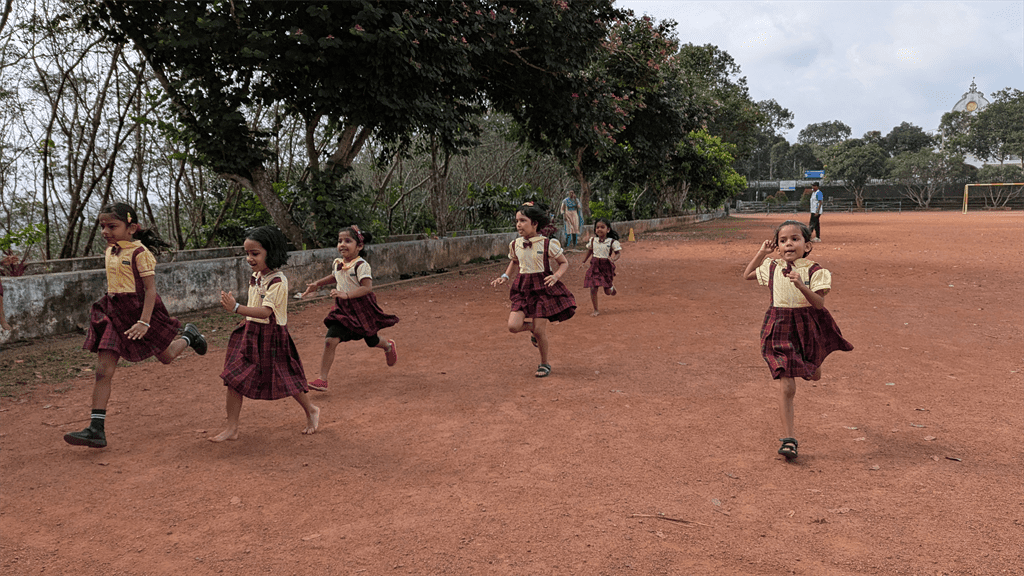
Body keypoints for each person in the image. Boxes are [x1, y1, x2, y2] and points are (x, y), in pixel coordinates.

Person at [65, 202, 208, 448]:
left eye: (112, 226)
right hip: (114, 312)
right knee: (103, 370)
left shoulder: (141, 254)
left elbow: (150, 291)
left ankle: (189, 336)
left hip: (142, 312)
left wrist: (144, 322)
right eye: (102, 227)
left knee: (166, 356)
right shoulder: (110, 251)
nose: (105, 232)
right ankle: (96, 429)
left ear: (132, 228)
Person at [742, 220, 853, 461]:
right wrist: (761, 253)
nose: (788, 244)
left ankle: (812, 364)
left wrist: (802, 286)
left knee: (813, 374)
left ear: (807, 245)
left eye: (795, 239)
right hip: (779, 326)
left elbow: (819, 303)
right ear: (777, 247)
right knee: (787, 385)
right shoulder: (772, 266)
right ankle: (789, 440)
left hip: (806, 325)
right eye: (783, 241)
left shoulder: (815, 270)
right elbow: (747, 274)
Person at [212, 226, 319, 442]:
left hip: (272, 336)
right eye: (247, 253)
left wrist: (236, 308)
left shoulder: (278, 281)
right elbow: (255, 305)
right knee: (233, 378)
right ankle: (232, 428)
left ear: (271, 252)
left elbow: (265, 312)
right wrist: (244, 319)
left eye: (255, 253)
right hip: (251, 333)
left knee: (286, 378)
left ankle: (311, 410)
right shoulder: (256, 276)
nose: (249, 258)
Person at [300, 225, 399, 392]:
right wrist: (318, 283)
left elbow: (367, 288)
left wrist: (346, 294)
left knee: (371, 340)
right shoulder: (338, 263)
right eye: (340, 241)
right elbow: (336, 276)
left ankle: (388, 346)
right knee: (330, 340)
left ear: (359, 246)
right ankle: (322, 379)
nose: (342, 244)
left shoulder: (361, 265)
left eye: (347, 241)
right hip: (342, 309)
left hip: (362, 308)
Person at [491, 202, 576, 378]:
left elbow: (564, 262)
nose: (518, 225)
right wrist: (504, 276)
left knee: (540, 331)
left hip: (542, 289)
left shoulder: (548, 244)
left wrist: (556, 276)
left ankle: (544, 363)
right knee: (513, 326)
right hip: (522, 288)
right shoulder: (515, 244)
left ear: (535, 223)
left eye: (523, 220)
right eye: (517, 221)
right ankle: (532, 329)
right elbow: (515, 261)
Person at [579, 218, 621, 316]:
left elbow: (618, 253)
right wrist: (583, 261)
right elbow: (590, 251)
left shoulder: (612, 242)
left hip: (606, 267)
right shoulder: (593, 240)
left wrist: (613, 259)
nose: (599, 229)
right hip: (594, 266)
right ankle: (596, 310)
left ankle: (611, 288)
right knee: (593, 287)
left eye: (602, 227)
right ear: (595, 230)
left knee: (607, 292)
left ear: (608, 229)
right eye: (597, 227)